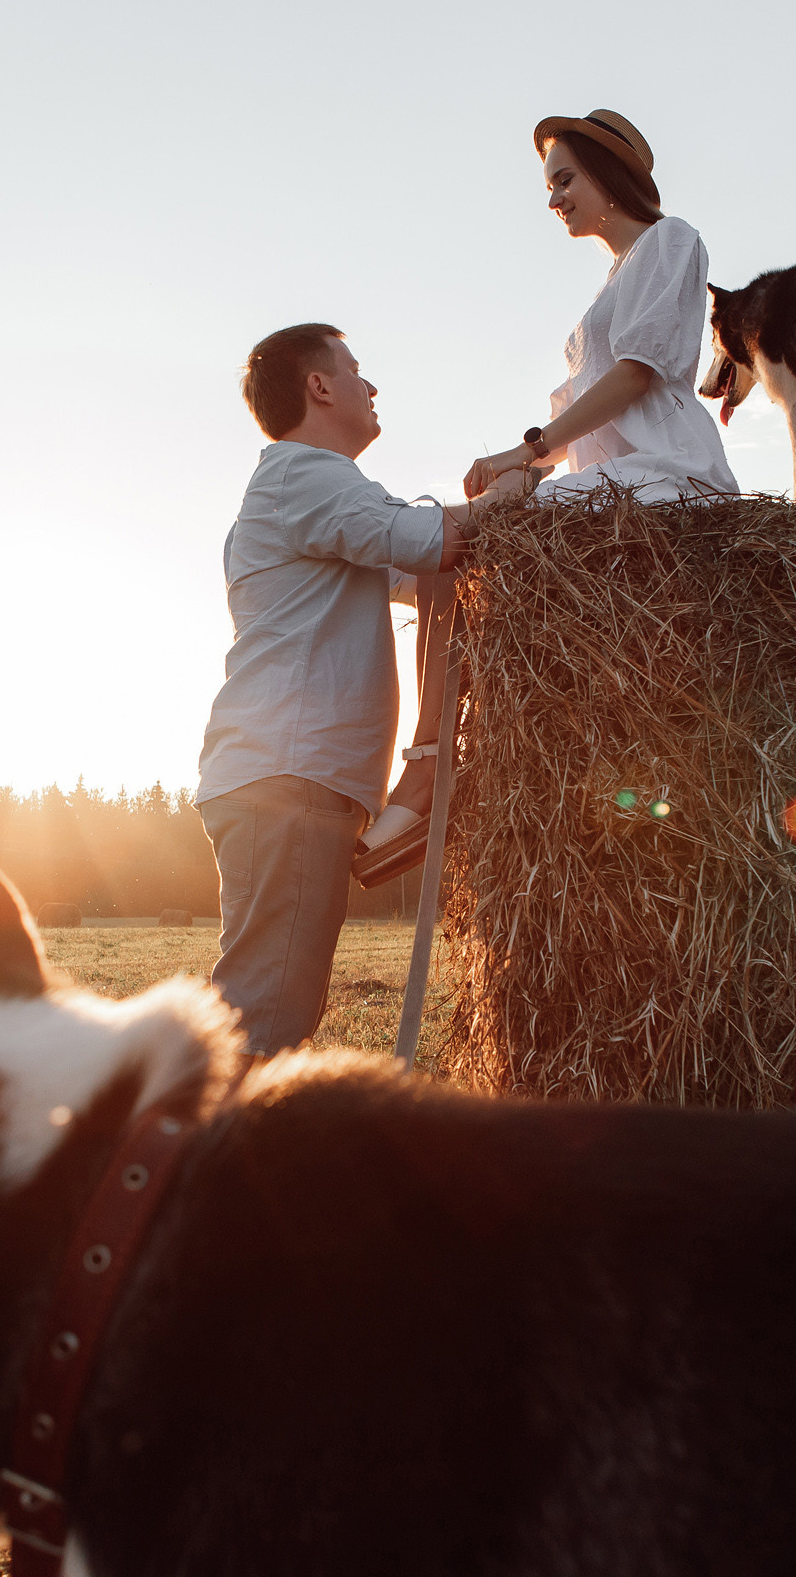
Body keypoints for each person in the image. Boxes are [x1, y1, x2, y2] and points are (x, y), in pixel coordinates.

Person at [355, 109, 737, 876]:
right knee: (444, 548)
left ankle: (431, 769)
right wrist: (521, 474)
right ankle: (432, 747)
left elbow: (637, 375)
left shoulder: (672, 241)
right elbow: (576, 426)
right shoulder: (603, 291)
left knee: (467, 541)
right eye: (551, 185)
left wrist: (524, 451)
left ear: (610, 175)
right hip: (603, 486)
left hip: (666, 478)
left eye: (564, 179)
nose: (554, 199)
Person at [195, 324, 512, 1058]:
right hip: (289, 775)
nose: (371, 389)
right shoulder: (302, 474)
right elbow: (434, 541)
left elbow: (424, 571)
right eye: (357, 371)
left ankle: (216, 1153)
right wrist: (518, 485)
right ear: (319, 386)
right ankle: (208, 1161)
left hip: (283, 774)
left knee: (268, 999)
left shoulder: (304, 495)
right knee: (266, 1012)